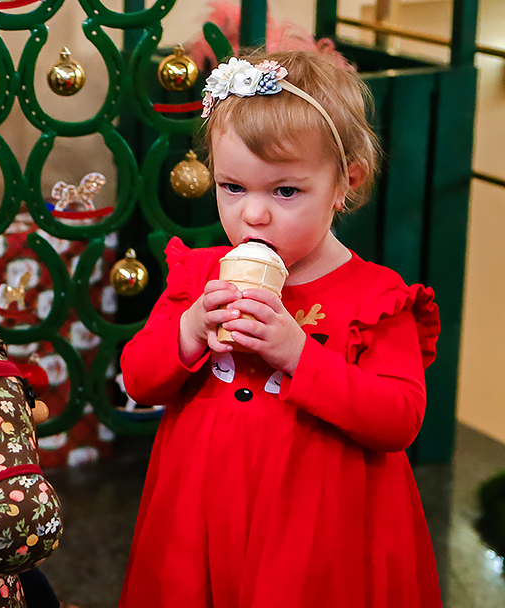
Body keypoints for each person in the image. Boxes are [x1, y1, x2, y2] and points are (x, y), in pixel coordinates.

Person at [118, 49, 442, 607]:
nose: (253, 215)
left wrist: (300, 355)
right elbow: (139, 379)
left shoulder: (376, 297)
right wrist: (190, 329)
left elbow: (400, 418)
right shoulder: (199, 276)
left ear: (345, 183)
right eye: (232, 187)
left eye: (285, 191)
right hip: (200, 516)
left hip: (317, 534)